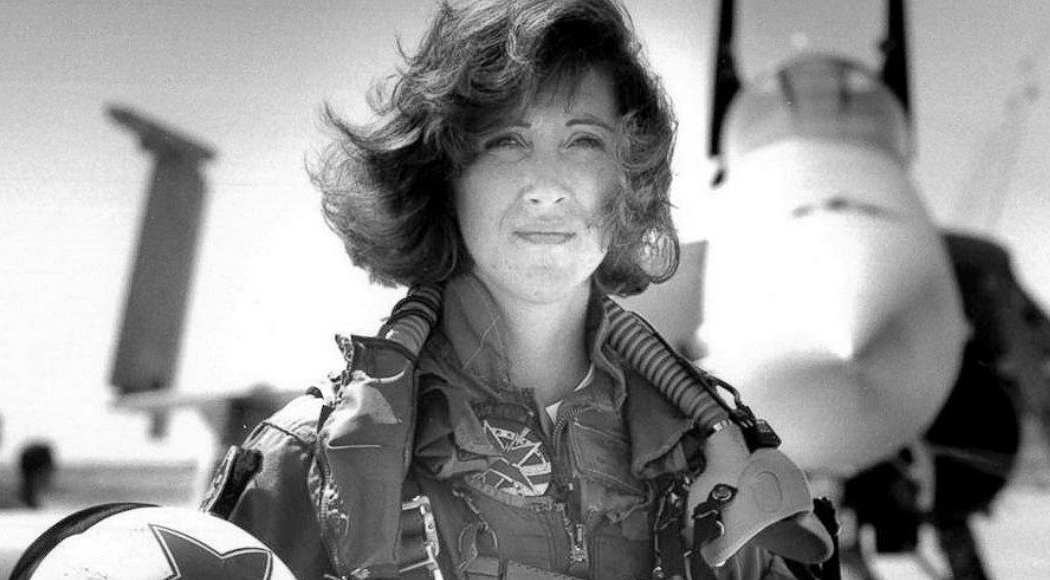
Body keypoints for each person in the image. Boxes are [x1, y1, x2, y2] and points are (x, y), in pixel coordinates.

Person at [202, 1, 834, 579]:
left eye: (583, 140)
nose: (547, 186)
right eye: (507, 141)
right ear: (444, 175)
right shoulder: (312, 465)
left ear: (626, 177)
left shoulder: (717, 470)